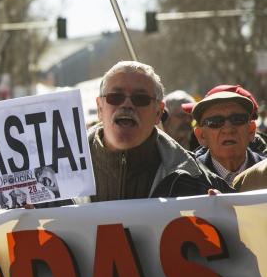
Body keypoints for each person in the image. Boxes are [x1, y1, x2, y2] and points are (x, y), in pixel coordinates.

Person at [88, 61, 230, 201]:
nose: (127, 104)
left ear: (158, 113)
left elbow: (244, 218)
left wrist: (224, 212)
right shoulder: (65, 171)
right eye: (116, 97)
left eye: (140, 98)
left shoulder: (197, 179)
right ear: (100, 108)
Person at [188, 85, 265, 186]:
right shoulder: (186, 180)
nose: (228, 129)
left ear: (251, 131)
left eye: (238, 119)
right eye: (215, 122)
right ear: (201, 136)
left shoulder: (265, 171)